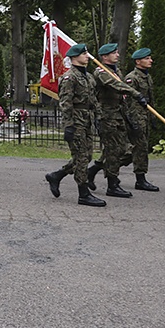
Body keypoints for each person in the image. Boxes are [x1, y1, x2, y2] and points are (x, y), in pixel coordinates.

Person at [44, 43, 106, 206]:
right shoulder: (69, 77)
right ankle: (83, 194)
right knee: (81, 158)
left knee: (86, 156)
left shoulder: (89, 77)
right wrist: (69, 126)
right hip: (76, 121)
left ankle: (57, 175)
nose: (87, 56)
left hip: (87, 121)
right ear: (74, 57)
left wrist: (99, 118)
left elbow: (94, 101)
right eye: (84, 53)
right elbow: (65, 103)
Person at [86, 43, 148, 198]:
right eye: (114, 53)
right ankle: (112, 185)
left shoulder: (116, 70)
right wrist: (136, 93)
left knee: (119, 149)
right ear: (105, 57)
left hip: (118, 114)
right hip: (107, 115)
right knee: (114, 149)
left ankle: (93, 171)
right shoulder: (101, 72)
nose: (118, 55)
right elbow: (115, 85)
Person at [122, 47, 159, 191]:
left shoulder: (147, 76)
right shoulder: (132, 78)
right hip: (136, 117)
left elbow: (151, 100)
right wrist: (132, 121)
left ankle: (100, 167)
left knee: (141, 148)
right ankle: (140, 179)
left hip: (145, 116)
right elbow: (128, 102)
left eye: (150, 58)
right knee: (138, 148)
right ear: (138, 61)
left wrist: (153, 116)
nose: (151, 60)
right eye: (147, 58)